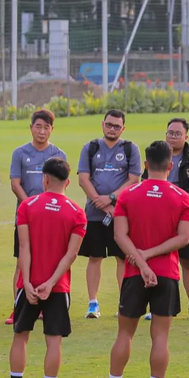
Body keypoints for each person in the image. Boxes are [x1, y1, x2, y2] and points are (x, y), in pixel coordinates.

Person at [100, 141, 189, 378]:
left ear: (144, 165)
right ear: (170, 165)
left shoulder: (128, 195)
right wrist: (151, 257)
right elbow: (184, 238)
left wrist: (141, 263)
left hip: (132, 274)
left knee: (124, 334)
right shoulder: (181, 197)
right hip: (166, 274)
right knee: (161, 337)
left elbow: (120, 236)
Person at [4, 158, 87, 378]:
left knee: (21, 336)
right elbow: (70, 255)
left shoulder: (27, 206)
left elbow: (25, 247)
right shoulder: (77, 213)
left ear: (45, 179)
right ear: (68, 182)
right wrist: (51, 282)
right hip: (58, 287)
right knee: (54, 340)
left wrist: (27, 282)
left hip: (28, 284)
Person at [77, 109, 141, 318]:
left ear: (123, 128)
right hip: (95, 214)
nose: (112, 129)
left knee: (122, 257)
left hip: (121, 214)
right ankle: (93, 303)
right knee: (95, 257)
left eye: (117, 126)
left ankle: (124, 302)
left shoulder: (131, 149)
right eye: (109, 124)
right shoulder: (90, 147)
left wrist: (112, 198)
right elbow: (83, 179)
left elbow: (133, 179)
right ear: (102, 124)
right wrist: (103, 203)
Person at [141, 117, 189, 322]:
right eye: (170, 132)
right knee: (158, 259)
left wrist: (170, 197)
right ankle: (157, 304)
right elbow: (146, 182)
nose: (173, 137)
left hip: (187, 216)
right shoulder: (157, 156)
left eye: (178, 133)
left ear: (186, 136)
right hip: (158, 217)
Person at [8, 109, 67, 324]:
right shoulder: (20, 153)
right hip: (25, 218)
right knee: (22, 262)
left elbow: (61, 189)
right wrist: (31, 207)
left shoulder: (59, 154)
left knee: (48, 261)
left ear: (52, 129)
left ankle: (45, 306)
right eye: (38, 126)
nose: (42, 131)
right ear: (31, 127)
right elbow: (15, 184)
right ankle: (17, 308)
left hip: (50, 220)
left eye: (46, 127)